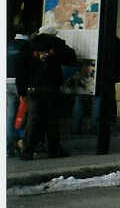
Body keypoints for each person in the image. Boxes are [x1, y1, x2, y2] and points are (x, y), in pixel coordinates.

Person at [15, 25, 77, 160]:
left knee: (33, 120)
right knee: (52, 120)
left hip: (33, 89)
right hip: (51, 88)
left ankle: (27, 151)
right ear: (54, 35)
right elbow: (71, 59)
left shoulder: (28, 46)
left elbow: (21, 70)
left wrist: (22, 91)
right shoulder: (57, 45)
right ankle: (54, 149)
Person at [95, 35, 120, 155]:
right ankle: (101, 123)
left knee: (98, 99)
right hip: (111, 75)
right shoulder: (116, 41)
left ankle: (93, 125)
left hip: (101, 75)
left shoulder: (99, 39)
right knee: (108, 98)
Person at [7, 29, 29, 157]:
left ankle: (8, 147)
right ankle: (22, 143)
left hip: (5, 82)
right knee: (24, 114)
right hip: (20, 83)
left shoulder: (8, 45)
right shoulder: (27, 46)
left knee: (9, 115)